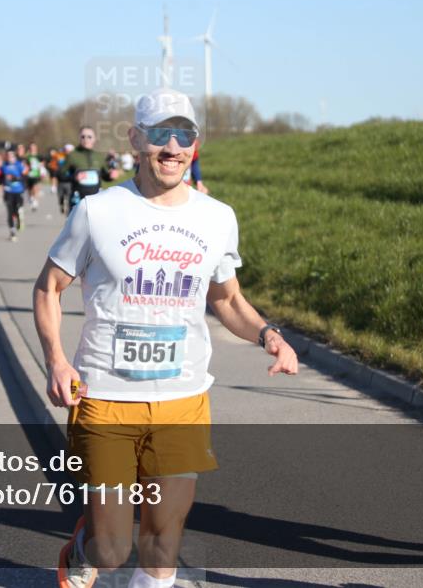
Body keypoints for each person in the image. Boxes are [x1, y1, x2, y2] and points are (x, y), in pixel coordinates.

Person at [33, 88, 298, 588]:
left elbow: (227, 300)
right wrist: (56, 361)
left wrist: (268, 335)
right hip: (105, 398)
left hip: (183, 400)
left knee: (162, 544)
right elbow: (48, 287)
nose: (172, 147)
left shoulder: (217, 217)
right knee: (111, 551)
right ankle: (82, 550)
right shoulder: (97, 212)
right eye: (160, 134)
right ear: (136, 139)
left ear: (196, 145)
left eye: (184, 135)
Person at [63, 126, 119, 213]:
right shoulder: (72, 155)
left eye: (89, 137)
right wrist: (74, 177)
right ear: (79, 138)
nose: (86, 139)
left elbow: (104, 176)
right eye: (83, 137)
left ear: (94, 139)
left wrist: (111, 176)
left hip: (96, 200)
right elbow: (60, 174)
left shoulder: (99, 156)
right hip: (77, 199)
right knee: (77, 226)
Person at [1, 147, 28, 241]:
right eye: (8, 156)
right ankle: (12, 231)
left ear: (15, 157)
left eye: (11, 156)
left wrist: (16, 178)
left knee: (17, 209)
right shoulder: (4, 165)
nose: (10, 158)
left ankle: (19, 218)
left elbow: (25, 174)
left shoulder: (19, 165)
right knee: (9, 211)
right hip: (8, 191)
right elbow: (0, 177)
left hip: (18, 191)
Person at [56, 143, 75, 214]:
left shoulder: (74, 160)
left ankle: (68, 211)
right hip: (61, 181)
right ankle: (62, 205)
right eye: (66, 150)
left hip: (70, 182)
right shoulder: (61, 159)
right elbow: (57, 169)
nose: (67, 152)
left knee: (70, 197)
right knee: (60, 197)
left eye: (69, 151)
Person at [26, 141, 45, 210]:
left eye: (34, 147)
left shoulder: (39, 156)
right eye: (31, 148)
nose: (32, 149)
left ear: (36, 148)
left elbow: (42, 163)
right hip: (29, 175)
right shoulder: (27, 156)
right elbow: (24, 165)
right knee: (29, 189)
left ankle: (35, 201)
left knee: (35, 187)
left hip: (36, 174)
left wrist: (41, 169)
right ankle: (31, 197)